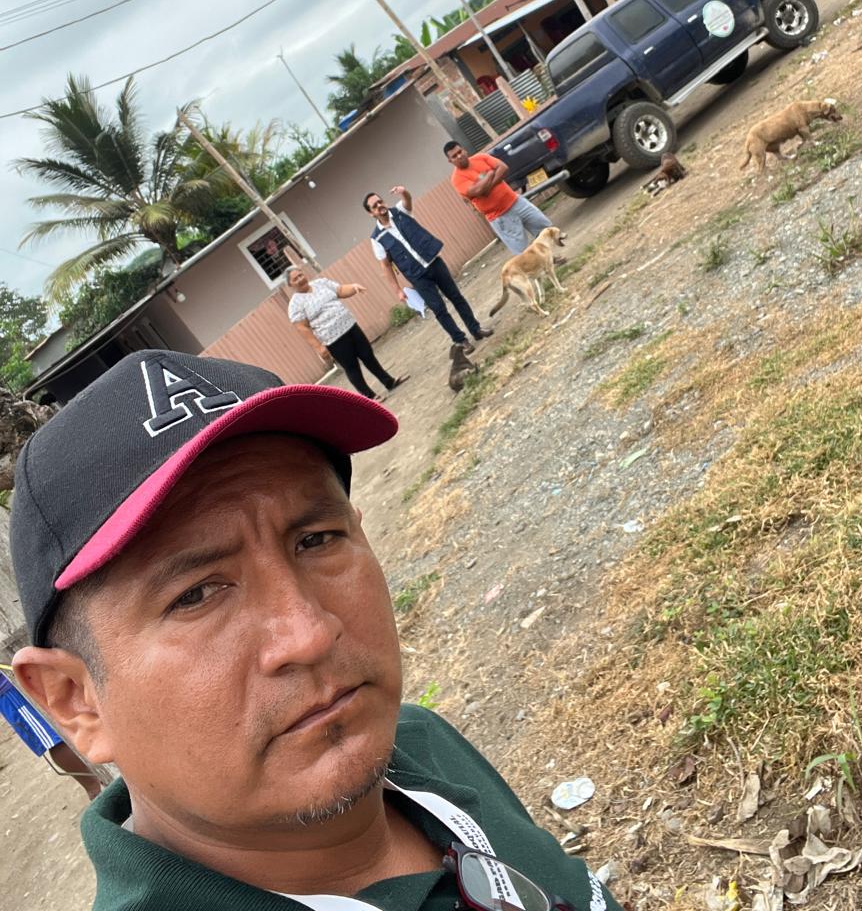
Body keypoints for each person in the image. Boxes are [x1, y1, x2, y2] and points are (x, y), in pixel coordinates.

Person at [9, 350, 619, 911]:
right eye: (195, 594)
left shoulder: (419, 744)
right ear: (75, 700)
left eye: (316, 539)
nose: (309, 634)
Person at [364, 186, 493, 348]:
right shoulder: (376, 238)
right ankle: (461, 340)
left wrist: (404, 192)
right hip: (417, 276)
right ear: (371, 213)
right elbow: (386, 266)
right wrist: (397, 290)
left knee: (456, 297)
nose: (379, 206)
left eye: (380, 201)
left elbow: (408, 200)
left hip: (434, 262)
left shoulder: (400, 211)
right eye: (374, 206)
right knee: (439, 309)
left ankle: (476, 329)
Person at [287, 266, 408, 402]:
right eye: (295, 279)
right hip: (333, 339)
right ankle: (369, 397)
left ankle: (389, 382)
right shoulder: (295, 305)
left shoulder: (321, 283)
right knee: (352, 367)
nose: (300, 279)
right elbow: (302, 328)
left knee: (368, 355)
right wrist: (319, 347)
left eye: (300, 275)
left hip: (350, 326)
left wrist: (354, 287)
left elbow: (340, 290)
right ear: (290, 285)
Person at [0, 667, 101, 800]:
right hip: (12, 687)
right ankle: (95, 788)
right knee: (54, 738)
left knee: (63, 725)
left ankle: (98, 783)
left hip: (19, 675)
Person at [444, 142, 554, 256]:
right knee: (523, 252)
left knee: (547, 230)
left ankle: (553, 258)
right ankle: (536, 266)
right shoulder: (457, 179)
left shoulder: (481, 158)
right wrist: (490, 173)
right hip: (500, 217)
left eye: (460, 152)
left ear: (464, 150)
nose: (459, 156)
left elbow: (503, 168)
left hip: (516, 202)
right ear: (450, 161)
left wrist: (487, 187)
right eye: (454, 156)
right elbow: (477, 191)